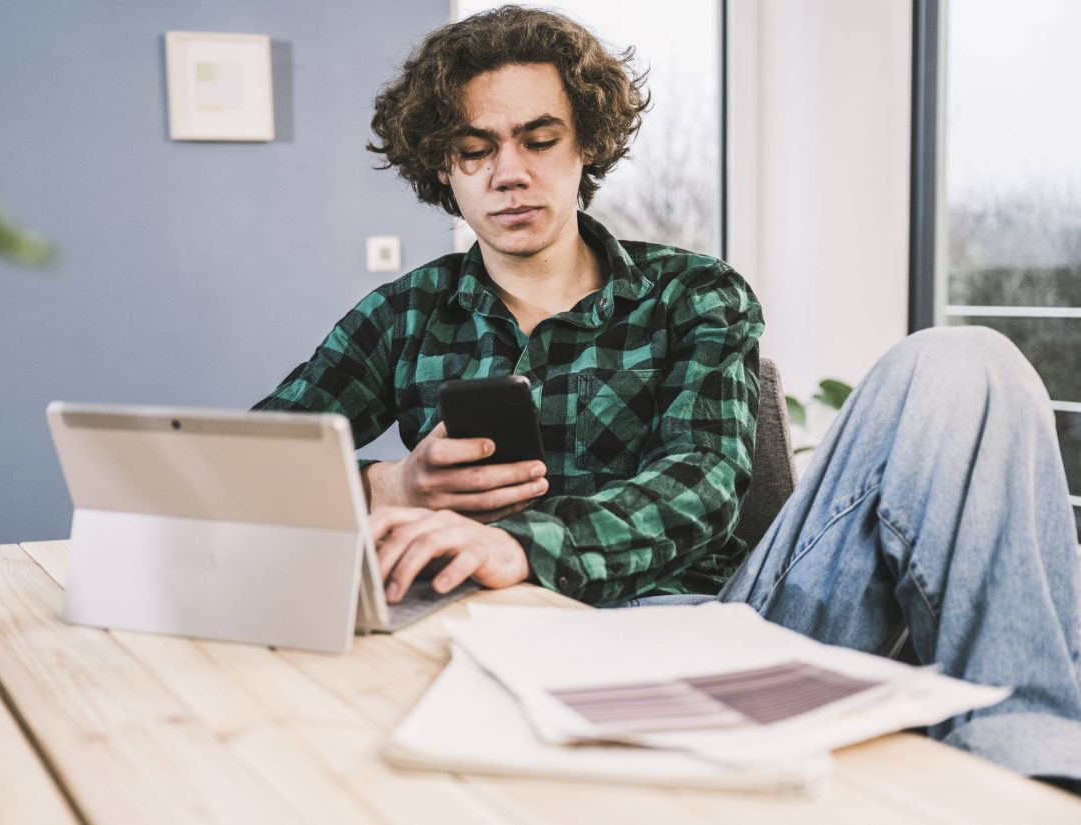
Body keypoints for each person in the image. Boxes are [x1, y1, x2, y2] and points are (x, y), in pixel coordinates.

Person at [254, 5, 1081, 786]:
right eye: (476, 150)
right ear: (444, 165)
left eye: (540, 139)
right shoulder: (404, 314)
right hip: (486, 641)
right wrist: (388, 485)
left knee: (966, 360)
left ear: (585, 148)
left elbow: (704, 483)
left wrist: (530, 544)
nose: (510, 172)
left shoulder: (695, 294)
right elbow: (249, 461)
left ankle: (1028, 771)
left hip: (716, 625)